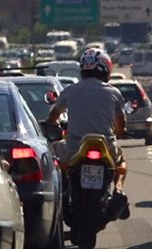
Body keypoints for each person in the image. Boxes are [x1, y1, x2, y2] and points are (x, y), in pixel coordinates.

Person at [47, 48, 128, 193]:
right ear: (106, 69)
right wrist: (118, 132)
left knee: (51, 152)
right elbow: (121, 124)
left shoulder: (70, 90)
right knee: (121, 161)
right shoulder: (114, 92)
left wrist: (53, 125)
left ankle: (61, 191)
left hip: (73, 148)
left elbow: (53, 116)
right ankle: (118, 189)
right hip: (107, 146)